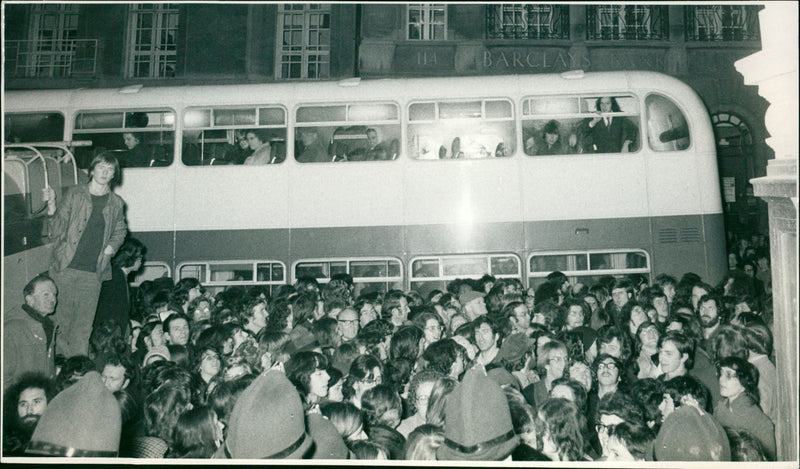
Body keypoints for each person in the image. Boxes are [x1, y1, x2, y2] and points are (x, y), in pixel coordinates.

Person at [43, 151, 127, 358]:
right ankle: (60, 367)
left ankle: (77, 370)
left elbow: (120, 230)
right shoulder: (75, 194)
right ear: (92, 170)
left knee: (83, 328)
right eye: (101, 167)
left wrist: (111, 248)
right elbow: (56, 229)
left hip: (93, 273)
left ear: (114, 174)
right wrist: (52, 205)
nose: (105, 173)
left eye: (110, 170)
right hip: (65, 269)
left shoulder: (116, 202)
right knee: (60, 325)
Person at [713, 356, 776, 460]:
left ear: (744, 382)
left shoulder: (760, 423)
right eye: (721, 373)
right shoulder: (720, 409)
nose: (721, 380)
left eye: (728, 375)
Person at [3, 274, 59, 389]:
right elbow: (3, 377)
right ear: (30, 299)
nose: (53, 299)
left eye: (54, 294)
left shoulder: (47, 325)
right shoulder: (12, 329)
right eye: (46, 295)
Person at [93, 237, 145, 338]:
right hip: (111, 334)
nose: (141, 259)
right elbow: (115, 312)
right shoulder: (115, 278)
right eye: (139, 256)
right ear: (130, 256)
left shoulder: (118, 275)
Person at [2, 373, 58, 455]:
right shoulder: (6, 444)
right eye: (23, 404)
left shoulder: (60, 439)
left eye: (36, 402)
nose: (29, 411)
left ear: (50, 403)